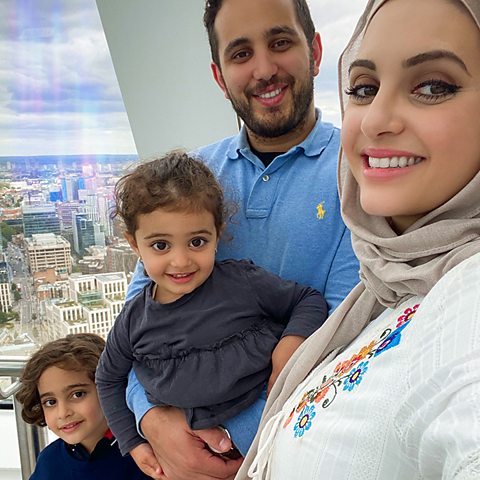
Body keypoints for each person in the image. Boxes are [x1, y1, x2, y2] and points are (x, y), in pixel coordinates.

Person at [235, 0, 480, 478]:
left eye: (432, 86)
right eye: (364, 88)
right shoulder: (391, 275)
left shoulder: (468, 298)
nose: (374, 120)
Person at [125, 0, 360, 477]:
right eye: (240, 54)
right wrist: (151, 419)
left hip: (294, 452)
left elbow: (342, 334)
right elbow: (138, 314)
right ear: (219, 75)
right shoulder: (189, 176)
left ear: (314, 50)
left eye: (280, 43)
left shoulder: (357, 171)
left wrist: (229, 444)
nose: (264, 69)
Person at [95, 151, 328, 475]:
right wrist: (132, 441)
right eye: (161, 245)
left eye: (197, 242)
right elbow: (107, 378)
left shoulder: (243, 283)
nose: (181, 261)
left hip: (278, 442)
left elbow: (307, 300)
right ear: (135, 245)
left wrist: (290, 344)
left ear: (217, 234)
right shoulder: (133, 321)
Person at [15, 333, 149, 480]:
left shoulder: (145, 455)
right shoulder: (49, 461)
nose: (63, 413)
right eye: (50, 402)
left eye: (78, 394)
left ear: (109, 390)